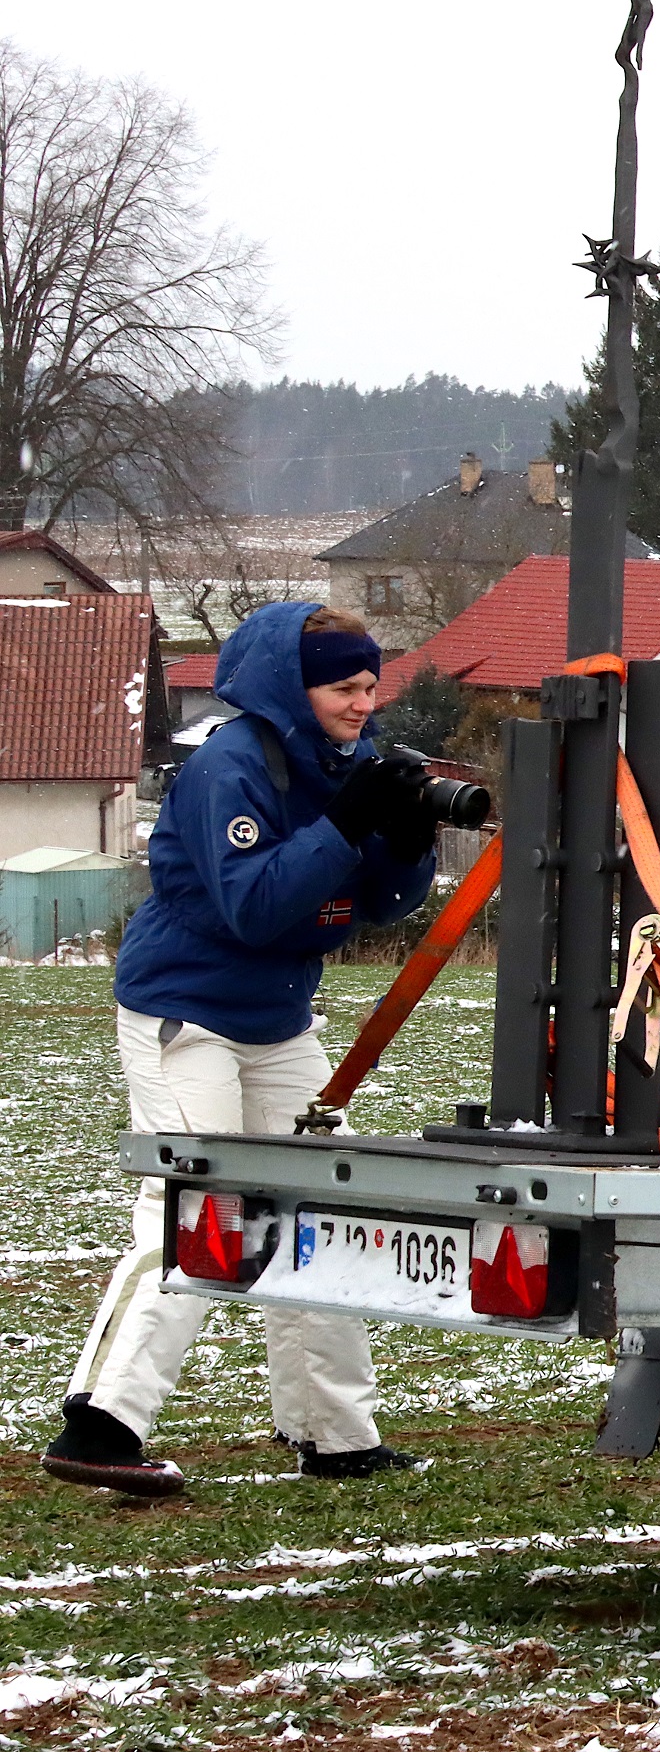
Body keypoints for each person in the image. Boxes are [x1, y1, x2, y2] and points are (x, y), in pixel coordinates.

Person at [43, 603, 441, 1498]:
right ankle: (101, 1424)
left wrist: (408, 845)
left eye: (372, 686)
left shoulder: (349, 761)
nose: (362, 702)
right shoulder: (228, 765)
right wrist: (347, 828)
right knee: (197, 1209)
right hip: (185, 1015)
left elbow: (372, 906)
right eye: (345, 685)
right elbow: (255, 907)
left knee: (320, 1205)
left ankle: (333, 1431)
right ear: (292, 685)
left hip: (278, 1020)